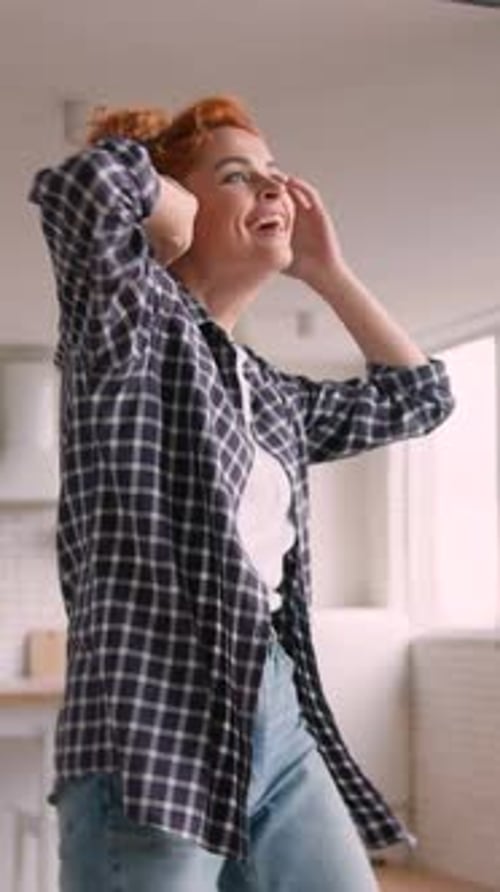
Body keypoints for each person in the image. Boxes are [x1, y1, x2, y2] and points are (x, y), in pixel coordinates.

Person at [29, 95, 454, 892]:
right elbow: (85, 185)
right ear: (178, 207)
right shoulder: (131, 325)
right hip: (153, 716)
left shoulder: (269, 394)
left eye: (273, 173)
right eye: (235, 175)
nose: (272, 188)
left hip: (274, 705)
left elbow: (418, 398)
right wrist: (166, 214)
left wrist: (326, 273)